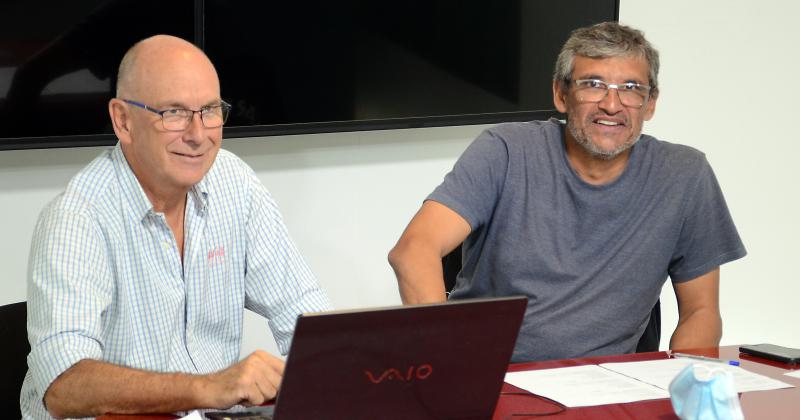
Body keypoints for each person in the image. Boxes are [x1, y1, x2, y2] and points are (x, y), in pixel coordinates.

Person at [388, 22, 746, 363]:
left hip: (607, 387)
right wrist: (441, 367)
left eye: (631, 89)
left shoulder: (684, 174)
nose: (612, 104)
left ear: (650, 104)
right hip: (492, 374)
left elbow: (701, 311)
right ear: (561, 94)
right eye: (593, 84)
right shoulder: (506, 150)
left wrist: (689, 386)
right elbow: (413, 250)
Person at [21, 35, 331, 419]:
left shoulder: (235, 182)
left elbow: (303, 312)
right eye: (174, 113)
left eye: (210, 110)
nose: (198, 135)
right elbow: (64, 385)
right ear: (123, 120)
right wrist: (207, 388)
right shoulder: (76, 218)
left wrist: (346, 367)